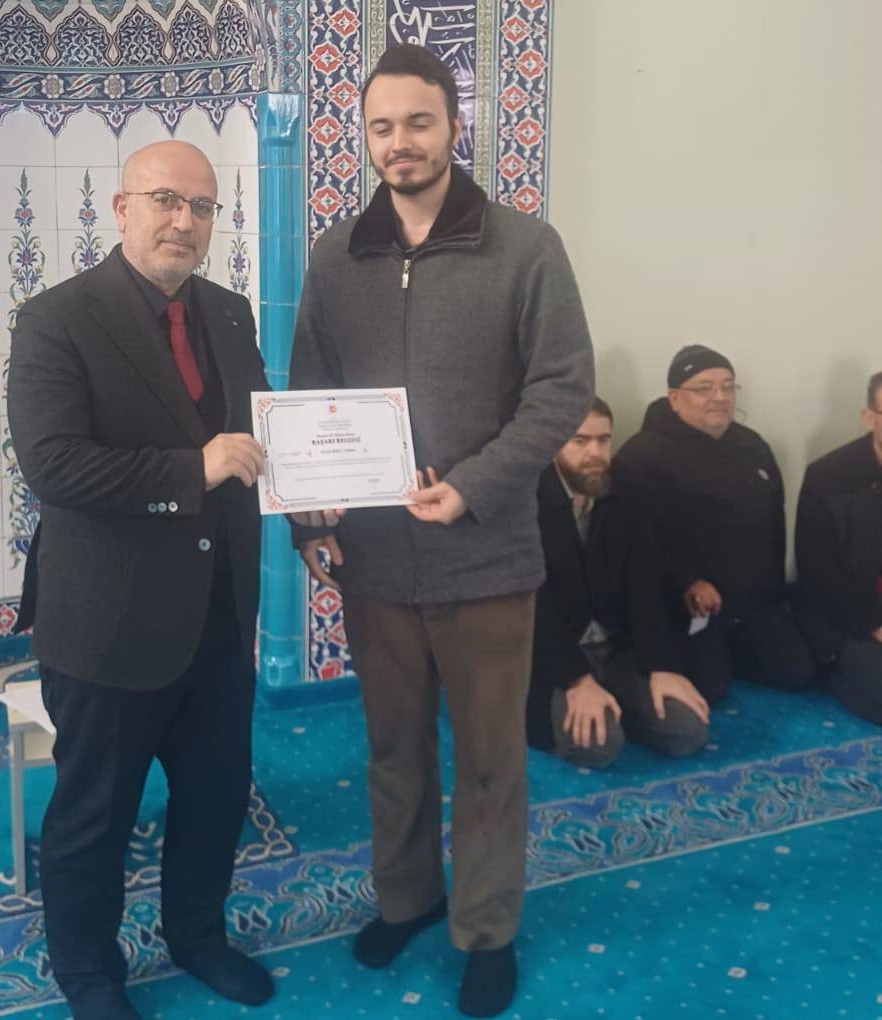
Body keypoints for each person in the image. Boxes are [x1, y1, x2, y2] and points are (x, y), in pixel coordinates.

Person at [288, 44, 594, 1018]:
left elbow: (562, 390)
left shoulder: (525, 248)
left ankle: (487, 929)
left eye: (418, 122)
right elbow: (310, 394)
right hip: (376, 563)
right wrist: (308, 519)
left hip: (489, 558)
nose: (400, 143)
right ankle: (408, 899)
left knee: (493, 761)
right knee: (394, 749)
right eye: (381, 126)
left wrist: (471, 488)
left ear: (456, 126)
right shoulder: (336, 256)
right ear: (365, 136)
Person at [7, 141, 272, 1019]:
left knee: (215, 798)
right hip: (108, 624)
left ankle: (197, 937)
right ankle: (90, 975)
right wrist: (192, 470)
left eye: (201, 207)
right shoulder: (57, 319)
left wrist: (323, 493)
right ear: (121, 208)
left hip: (220, 616)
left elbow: (258, 440)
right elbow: (54, 467)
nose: (183, 222)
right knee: (94, 818)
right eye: (165, 200)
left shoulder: (229, 313)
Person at [612, 345, 818, 704]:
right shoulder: (642, 456)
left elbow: (774, 522)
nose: (719, 397)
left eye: (727, 386)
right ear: (675, 398)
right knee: (711, 689)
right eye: (704, 388)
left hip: (753, 602)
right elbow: (638, 542)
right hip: (687, 603)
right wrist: (687, 579)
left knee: (797, 671)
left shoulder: (752, 446)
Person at [528, 397, 709, 767]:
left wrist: (662, 666)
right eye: (580, 441)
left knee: (687, 729)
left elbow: (646, 585)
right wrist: (577, 680)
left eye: (603, 440)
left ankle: (617, 701)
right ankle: (595, 705)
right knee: (599, 746)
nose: (595, 453)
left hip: (615, 647)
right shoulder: (526, 500)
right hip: (551, 655)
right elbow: (532, 606)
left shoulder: (629, 489)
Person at [795, 370, 882, 724]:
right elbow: (819, 572)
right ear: (869, 417)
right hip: (851, 616)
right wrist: (876, 626)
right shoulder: (828, 476)